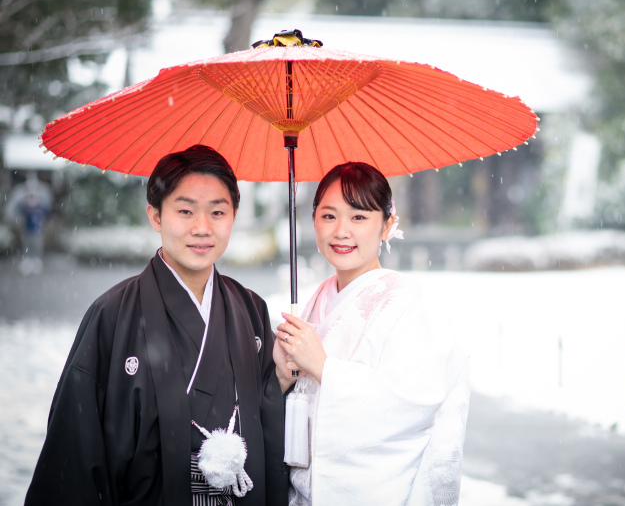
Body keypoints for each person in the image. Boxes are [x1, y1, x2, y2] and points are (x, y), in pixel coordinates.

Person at [26, 146, 291, 506]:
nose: (202, 228)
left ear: (234, 215)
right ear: (155, 215)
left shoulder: (251, 310)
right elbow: (75, 447)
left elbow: (270, 421)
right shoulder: (112, 315)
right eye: (185, 211)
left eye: (217, 212)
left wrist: (282, 380)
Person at [274, 162, 470, 506]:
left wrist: (323, 368)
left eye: (359, 217)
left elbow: (410, 403)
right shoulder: (318, 297)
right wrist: (284, 374)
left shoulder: (405, 301)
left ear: (387, 224)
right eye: (329, 216)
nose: (341, 231)